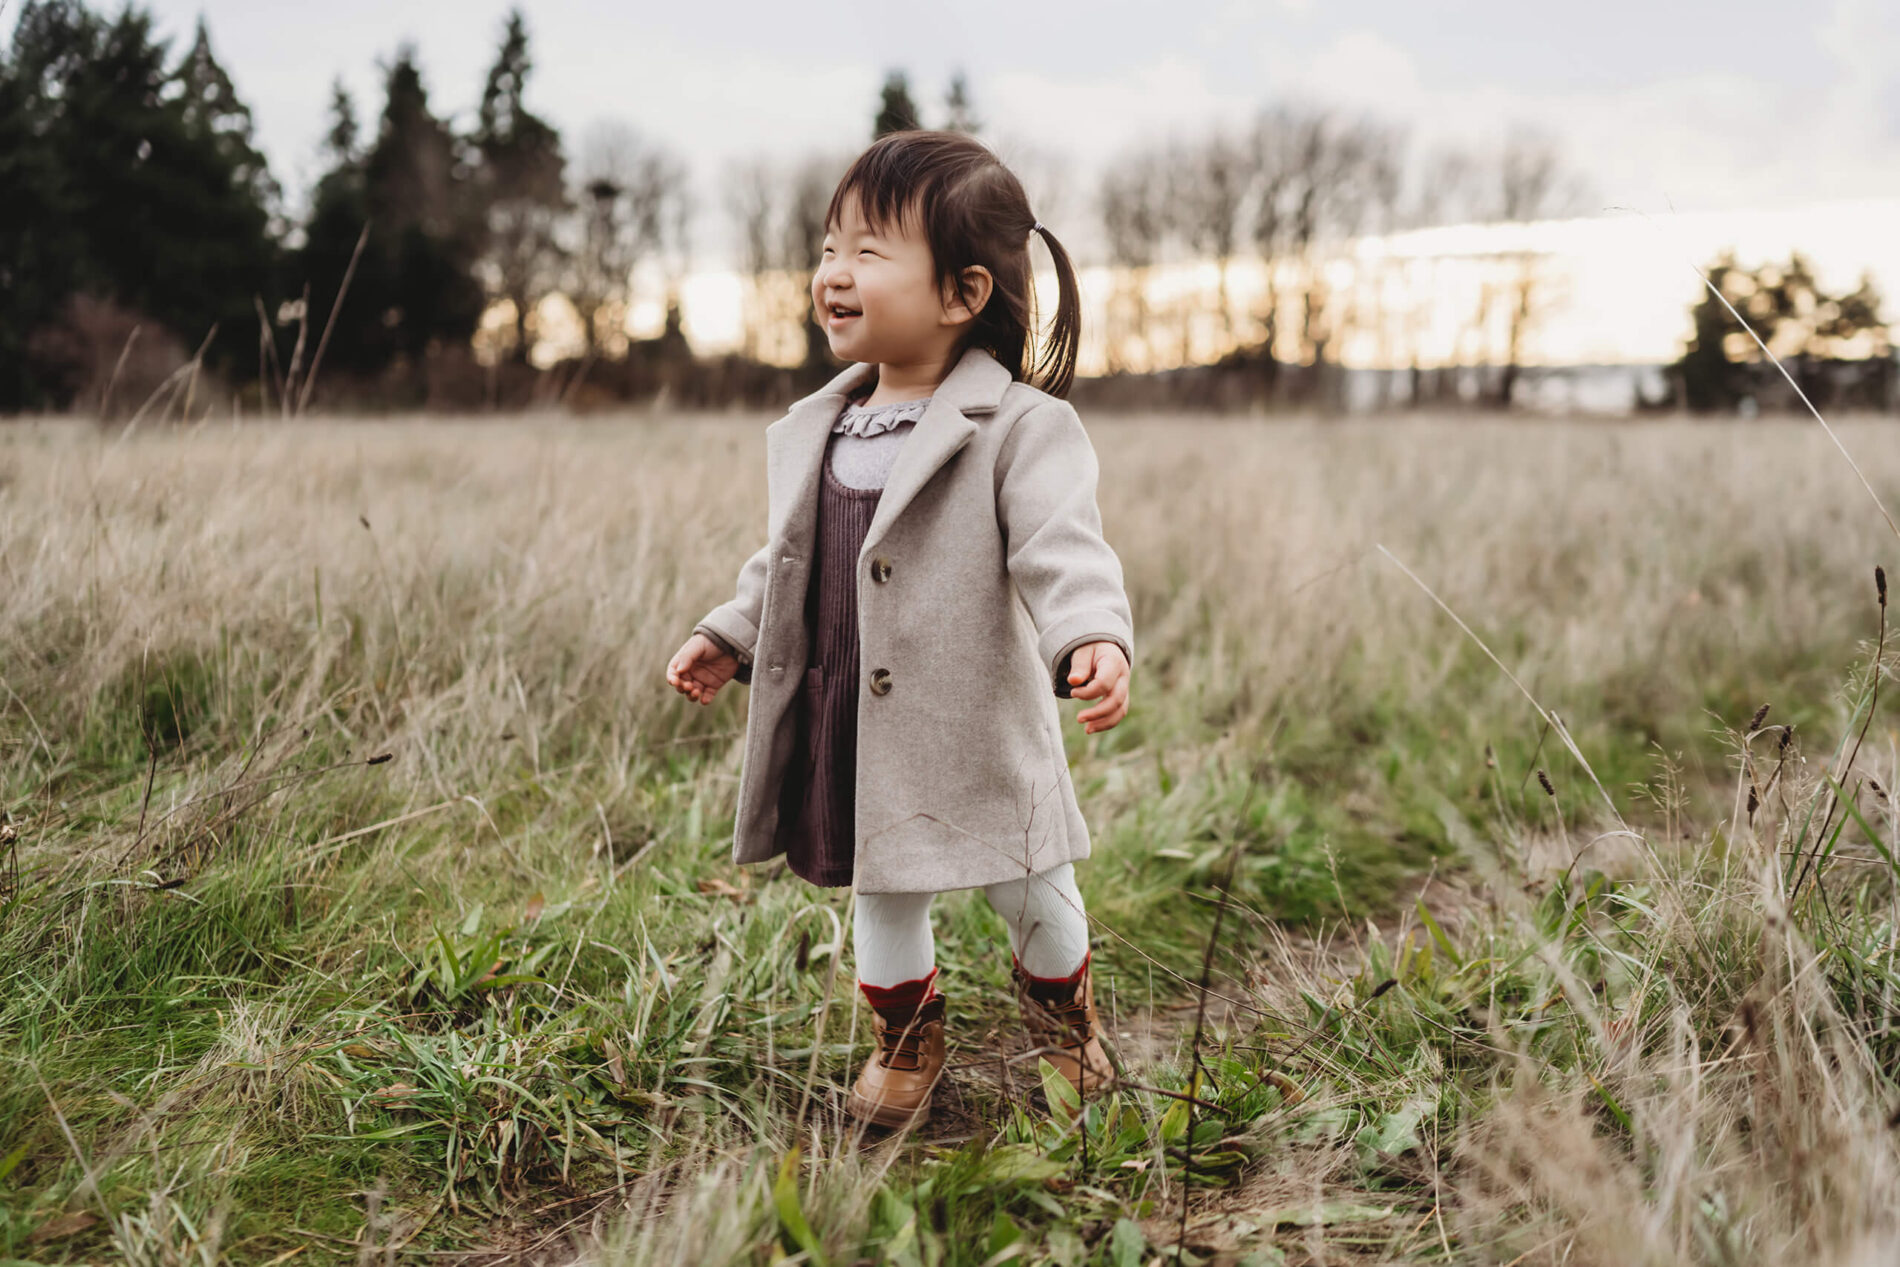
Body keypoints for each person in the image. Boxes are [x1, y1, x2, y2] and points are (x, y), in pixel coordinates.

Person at [665, 129, 1134, 1129]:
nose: (833, 273)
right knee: (881, 893)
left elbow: (1065, 548)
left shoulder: (1016, 427)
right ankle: (905, 1039)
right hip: (858, 724)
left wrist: (1090, 634)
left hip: (973, 722)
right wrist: (732, 632)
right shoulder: (822, 424)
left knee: (1032, 889)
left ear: (963, 294)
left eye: (868, 252)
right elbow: (788, 558)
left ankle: (1063, 1021)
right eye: (829, 248)